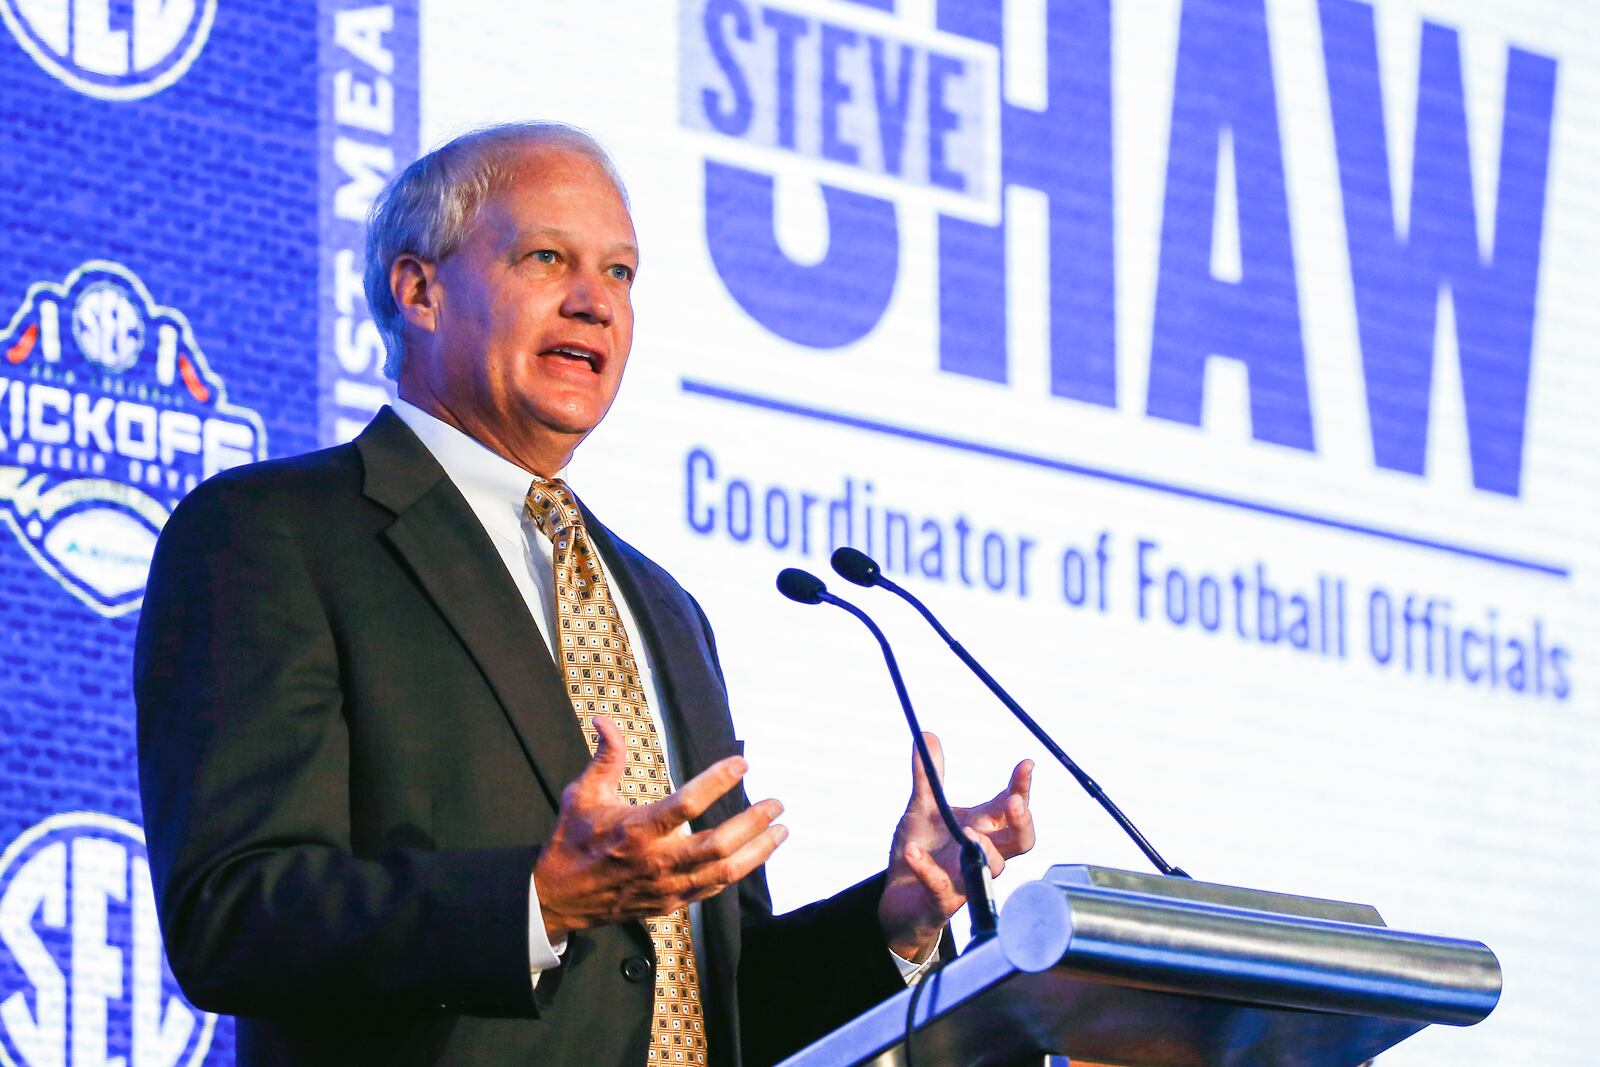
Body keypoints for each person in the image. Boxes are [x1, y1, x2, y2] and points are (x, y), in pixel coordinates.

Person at [134, 122, 1036, 1067]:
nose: (595, 304)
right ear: (419, 289)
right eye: (547, 258)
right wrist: (539, 900)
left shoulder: (662, 606)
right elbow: (233, 917)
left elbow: (706, 998)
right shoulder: (274, 535)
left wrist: (895, 918)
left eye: (619, 274)